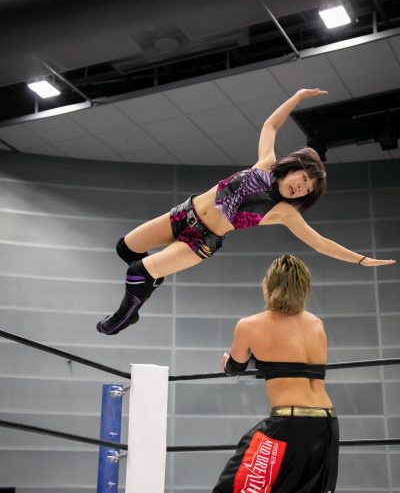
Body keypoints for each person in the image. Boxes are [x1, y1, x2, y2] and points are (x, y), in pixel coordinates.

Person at [96, 89, 395, 335]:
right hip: (183, 214)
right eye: (303, 179)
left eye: (307, 190)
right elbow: (271, 125)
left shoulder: (283, 211)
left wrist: (360, 259)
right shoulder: (265, 163)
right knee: (126, 248)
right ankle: (152, 281)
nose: (301, 188)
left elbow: (319, 242)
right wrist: (297, 98)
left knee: (137, 272)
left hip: (200, 241)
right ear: (295, 168)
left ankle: (126, 316)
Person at [208, 254, 340, 493]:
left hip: (289, 425)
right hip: (326, 426)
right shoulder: (316, 324)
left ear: (269, 285)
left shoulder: (249, 325)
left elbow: (235, 367)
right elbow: (292, 361)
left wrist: (227, 362)